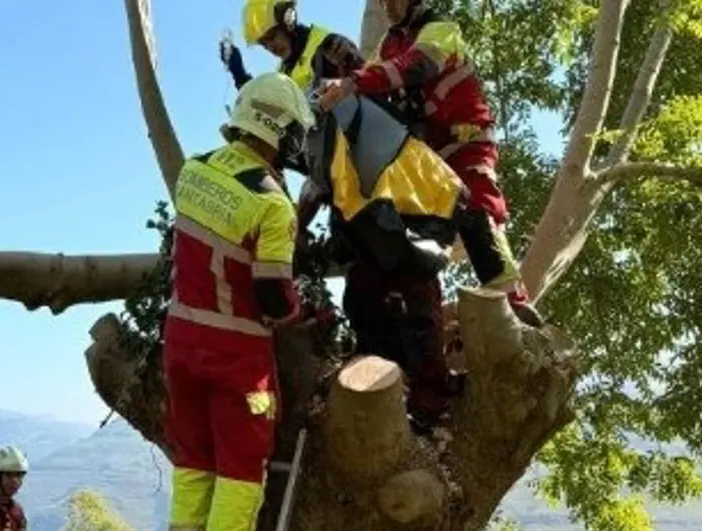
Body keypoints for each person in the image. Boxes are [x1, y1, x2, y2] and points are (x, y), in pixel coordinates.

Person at [162, 71, 314, 531]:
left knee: (194, 460)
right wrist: (301, 312)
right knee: (240, 470)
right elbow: (273, 295)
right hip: (234, 354)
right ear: (281, 130)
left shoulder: (193, 172)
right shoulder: (273, 204)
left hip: (179, 343)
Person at [317, 0, 544, 328]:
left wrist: (354, 80)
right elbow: (378, 84)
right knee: (414, 235)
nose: (387, 7)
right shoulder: (390, 42)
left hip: (466, 140)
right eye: (381, 1)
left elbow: (415, 65)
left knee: (478, 206)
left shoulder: (441, 30)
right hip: (428, 155)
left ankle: (513, 302)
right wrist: (348, 64)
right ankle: (419, 320)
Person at [303, 90, 465, 432]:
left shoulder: (334, 126)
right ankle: (384, 382)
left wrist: (300, 234)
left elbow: (338, 196)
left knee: (416, 305)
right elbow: (342, 202)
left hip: (419, 211)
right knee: (365, 300)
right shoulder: (342, 128)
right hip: (393, 214)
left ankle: (431, 400)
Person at [224, 0, 363, 94]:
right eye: (264, 44)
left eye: (272, 37)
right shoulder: (284, 72)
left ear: (288, 20)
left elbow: (362, 83)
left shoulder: (330, 46)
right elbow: (269, 113)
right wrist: (239, 75)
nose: (270, 47)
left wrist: (341, 65)